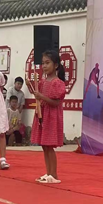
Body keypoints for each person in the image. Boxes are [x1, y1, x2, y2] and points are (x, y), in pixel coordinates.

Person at [27, 50, 66, 184]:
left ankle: (54, 174)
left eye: (47, 63)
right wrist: (30, 86)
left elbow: (56, 102)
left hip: (51, 117)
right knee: (44, 146)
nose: (44, 66)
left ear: (56, 65)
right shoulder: (43, 82)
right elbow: (37, 95)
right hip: (42, 114)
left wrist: (41, 97)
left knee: (49, 146)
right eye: (43, 63)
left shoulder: (57, 83)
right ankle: (48, 172)